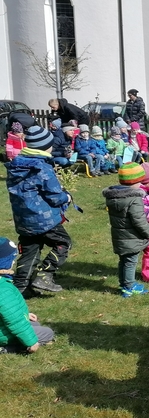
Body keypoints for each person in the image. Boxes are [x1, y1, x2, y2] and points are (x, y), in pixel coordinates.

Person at [6, 125, 72, 295]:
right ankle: (45, 275)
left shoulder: (16, 165)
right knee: (63, 243)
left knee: (30, 250)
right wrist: (67, 197)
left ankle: (20, 289)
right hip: (44, 219)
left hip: (23, 219)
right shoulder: (42, 168)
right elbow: (55, 197)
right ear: (45, 146)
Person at [102, 162, 149, 297]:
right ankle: (129, 287)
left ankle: (123, 284)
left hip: (120, 237)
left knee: (123, 261)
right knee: (131, 262)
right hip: (131, 238)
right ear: (136, 181)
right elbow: (139, 220)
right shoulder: (134, 199)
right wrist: (148, 232)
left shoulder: (113, 196)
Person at [0, 237, 55, 354]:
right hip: (2, 333)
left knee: (35, 323)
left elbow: (9, 311)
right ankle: (9, 348)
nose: (14, 262)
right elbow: (14, 321)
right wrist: (31, 342)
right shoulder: (3, 289)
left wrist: (25, 314)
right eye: (11, 259)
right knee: (47, 333)